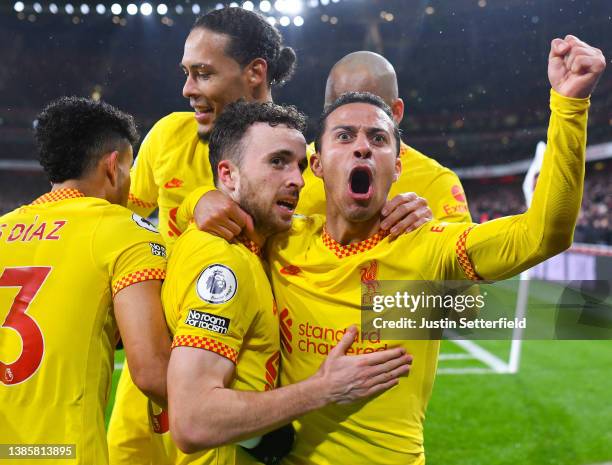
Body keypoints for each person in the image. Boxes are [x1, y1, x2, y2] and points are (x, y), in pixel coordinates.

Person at [265, 35, 605, 464]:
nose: (361, 145)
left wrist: (569, 106)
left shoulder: (431, 219)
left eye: (377, 133)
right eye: (343, 129)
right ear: (316, 158)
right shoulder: (285, 212)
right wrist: (208, 203)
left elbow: (534, 243)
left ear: (398, 160)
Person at [109, 8, 425, 464]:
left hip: (253, 399)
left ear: (255, 71)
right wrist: (192, 202)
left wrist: (417, 224)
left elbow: (442, 296)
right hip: (155, 391)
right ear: (227, 174)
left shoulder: (317, 165)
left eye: (203, 73)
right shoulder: (166, 138)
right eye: (187, 73)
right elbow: (124, 228)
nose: (188, 88)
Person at [155, 101, 412, 465]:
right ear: (227, 176)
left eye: (300, 165)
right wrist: (322, 389)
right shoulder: (224, 264)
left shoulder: (255, 246)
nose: (297, 180)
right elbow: (194, 421)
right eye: (277, 162)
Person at [0, 97, 170, 465]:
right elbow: (153, 372)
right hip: (64, 453)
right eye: (129, 169)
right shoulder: (125, 231)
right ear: (112, 166)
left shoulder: (2, 228)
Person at [296, 51, 472, 227]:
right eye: (338, 106)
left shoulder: (436, 182)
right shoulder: (293, 168)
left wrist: (431, 231)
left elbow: (460, 249)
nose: (350, 114)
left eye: (370, 105)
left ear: (396, 112)